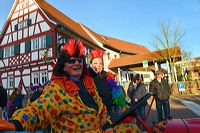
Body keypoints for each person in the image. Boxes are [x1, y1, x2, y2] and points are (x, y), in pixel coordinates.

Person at [0, 38, 139, 132]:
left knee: (134, 129)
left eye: (79, 60)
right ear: (64, 67)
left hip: (100, 130)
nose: (77, 63)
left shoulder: (89, 83)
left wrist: (107, 126)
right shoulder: (57, 87)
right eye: (71, 61)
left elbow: (102, 110)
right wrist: (16, 123)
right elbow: (40, 109)